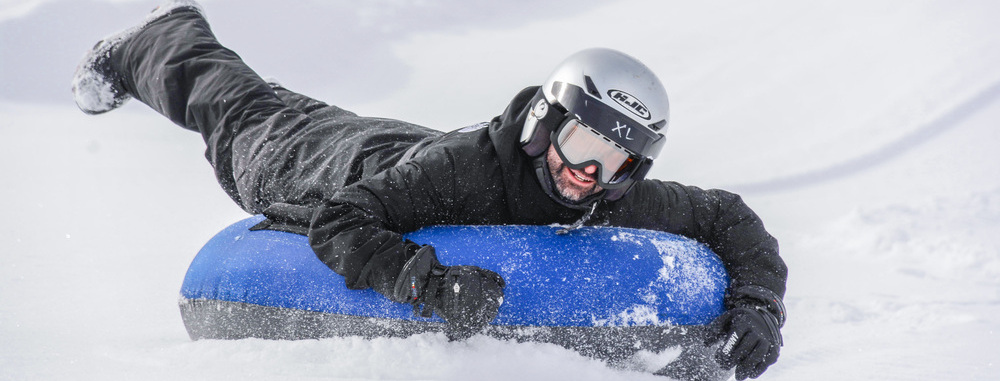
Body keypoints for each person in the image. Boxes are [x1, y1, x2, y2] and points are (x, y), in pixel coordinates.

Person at [73, 1, 787, 380]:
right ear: (546, 122)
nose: (588, 175)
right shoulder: (465, 169)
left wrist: (758, 306)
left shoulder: (610, 193)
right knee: (246, 121)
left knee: (293, 108)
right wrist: (427, 282)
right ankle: (157, 37)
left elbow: (730, 217)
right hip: (338, 167)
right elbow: (341, 222)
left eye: (617, 162)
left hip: (414, 152)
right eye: (581, 146)